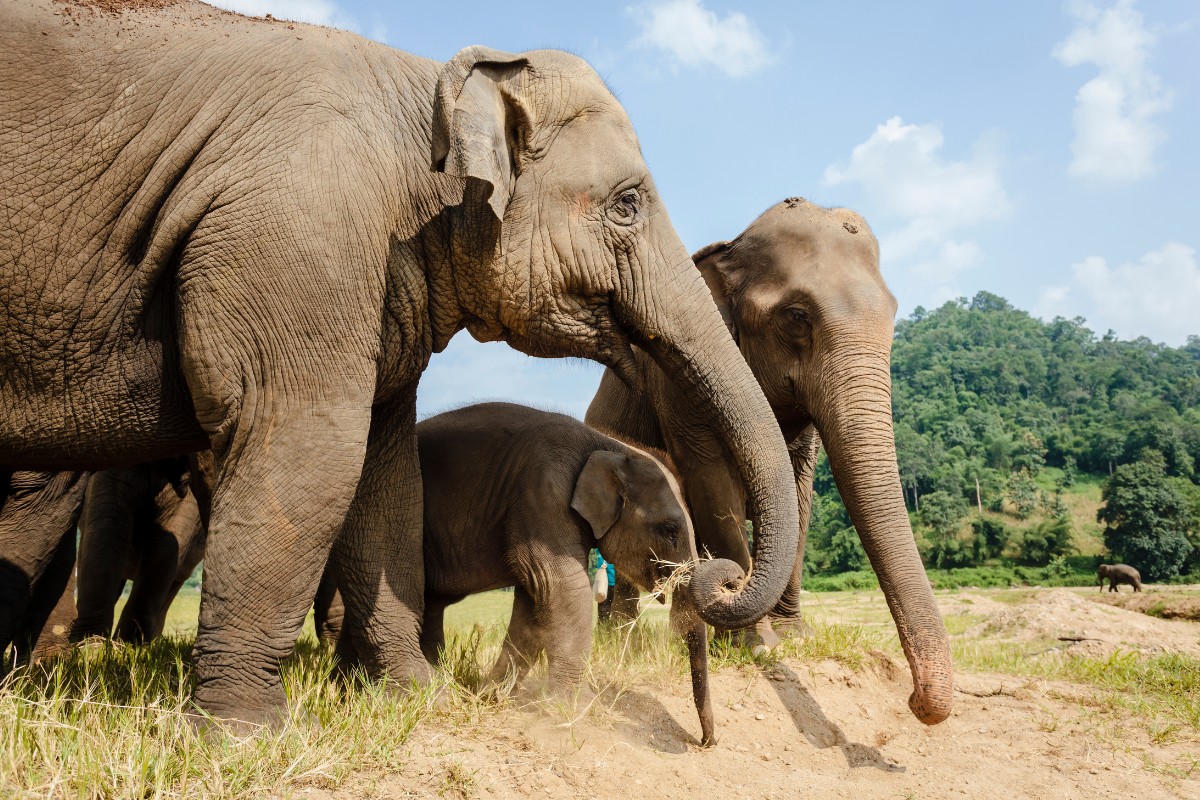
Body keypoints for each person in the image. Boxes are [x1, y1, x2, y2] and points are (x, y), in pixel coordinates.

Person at [591, 548, 616, 622]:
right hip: (607, 584)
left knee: (604, 607)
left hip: (607, 583)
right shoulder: (601, 551)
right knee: (604, 607)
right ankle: (603, 627)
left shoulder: (597, 551)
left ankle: (603, 627)